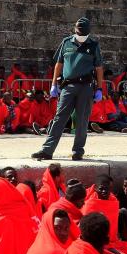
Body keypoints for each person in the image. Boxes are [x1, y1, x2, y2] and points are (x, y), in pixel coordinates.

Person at [32, 16, 104, 161]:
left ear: (88, 33)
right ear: (75, 31)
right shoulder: (66, 43)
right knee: (59, 118)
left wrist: (100, 88)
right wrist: (53, 84)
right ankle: (47, 150)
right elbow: (58, 64)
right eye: (79, 33)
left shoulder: (93, 46)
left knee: (82, 120)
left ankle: (78, 151)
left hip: (86, 86)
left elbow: (99, 68)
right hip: (68, 86)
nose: (81, 36)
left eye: (83, 34)